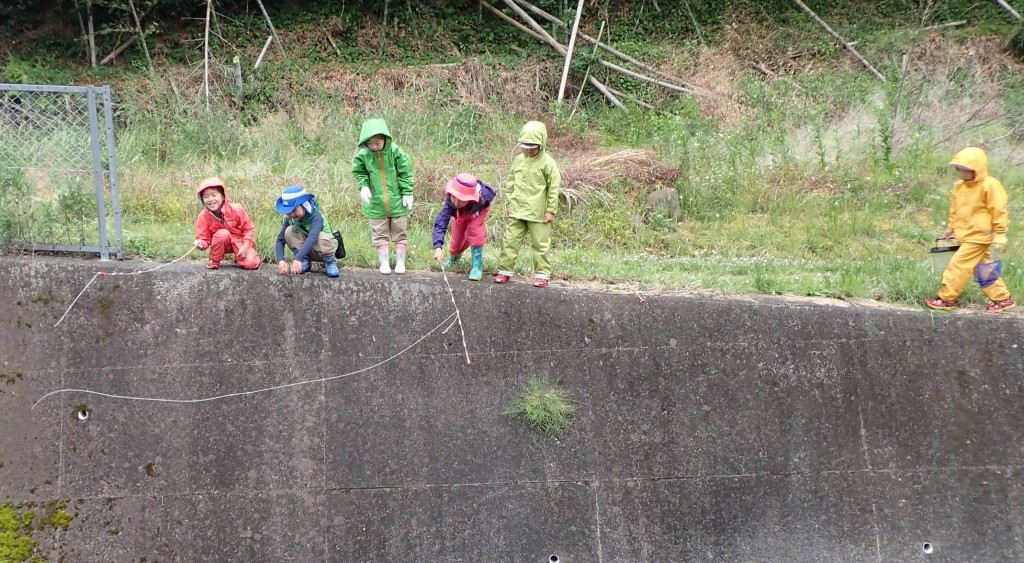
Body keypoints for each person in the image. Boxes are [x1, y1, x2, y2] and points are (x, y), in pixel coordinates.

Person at [926, 146, 1015, 312]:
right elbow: (957, 208)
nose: (962, 174)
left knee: (958, 265)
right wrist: (952, 226)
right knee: (983, 267)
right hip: (968, 234)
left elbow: (999, 210)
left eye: (966, 171)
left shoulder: (990, 185)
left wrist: (1000, 233)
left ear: (978, 169)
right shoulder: (960, 186)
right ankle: (1002, 299)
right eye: (959, 170)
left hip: (980, 236)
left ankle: (946, 298)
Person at [494, 120, 561, 288]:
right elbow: (510, 182)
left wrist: (551, 210)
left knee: (540, 244)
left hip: (538, 213)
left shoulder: (548, 163)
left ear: (541, 144)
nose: (529, 150)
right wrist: (509, 203)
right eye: (525, 146)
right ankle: (504, 271)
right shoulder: (518, 160)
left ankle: (542, 274)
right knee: (509, 240)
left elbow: (554, 187)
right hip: (517, 209)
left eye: (533, 147)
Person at [352, 118, 414, 275]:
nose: (374, 146)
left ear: (385, 138)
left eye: (377, 142)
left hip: (397, 201)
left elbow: (405, 172)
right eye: (370, 143)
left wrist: (407, 192)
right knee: (379, 233)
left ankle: (400, 262)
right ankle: (384, 263)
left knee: (400, 231)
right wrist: (363, 186)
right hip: (375, 202)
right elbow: (359, 172)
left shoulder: (395, 151)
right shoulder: (363, 155)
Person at [432, 172, 497, 281]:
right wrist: (438, 247)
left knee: (475, 230)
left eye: (461, 199)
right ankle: (454, 258)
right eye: (454, 197)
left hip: (478, 211)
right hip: (461, 213)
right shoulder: (450, 203)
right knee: (457, 238)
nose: (456, 202)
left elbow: (491, 194)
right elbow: (441, 222)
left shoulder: (482, 197)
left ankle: (477, 265)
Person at [193, 176, 260, 270]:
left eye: (213, 195)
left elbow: (248, 229)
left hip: (239, 242)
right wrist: (200, 244)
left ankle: (239, 256)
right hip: (220, 244)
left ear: (223, 196)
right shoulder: (203, 216)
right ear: (202, 200)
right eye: (206, 197)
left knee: (252, 263)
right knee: (223, 233)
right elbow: (203, 239)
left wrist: (246, 245)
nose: (210, 199)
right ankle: (214, 260)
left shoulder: (237, 209)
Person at [274, 185, 340, 278]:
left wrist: (297, 259)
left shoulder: (316, 217)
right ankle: (305, 261)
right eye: (288, 212)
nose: (292, 214)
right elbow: (280, 240)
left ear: (304, 205)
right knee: (289, 231)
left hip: (323, 251)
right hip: (306, 252)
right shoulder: (290, 219)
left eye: (294, 210)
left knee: (320, 236)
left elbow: (312, 238)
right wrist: (281, 260)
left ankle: (330, 262)